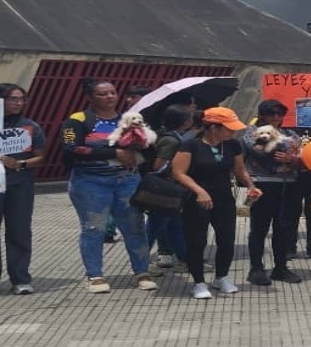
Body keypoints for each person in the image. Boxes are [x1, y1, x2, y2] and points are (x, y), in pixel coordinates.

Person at [60, 79, 155, 294]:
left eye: (112, 92)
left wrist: (142, 142)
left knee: (135, 227)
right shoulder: (76, 120)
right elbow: (70, 148)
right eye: (102, 94)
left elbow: (149, 148)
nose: (109, 97)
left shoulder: (128, 119)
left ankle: (142, 272)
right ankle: (95, 275)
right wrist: (115, 153)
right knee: (93, 228)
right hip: (90, 183)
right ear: (90, 97)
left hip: (127, 181)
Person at [171, 107, 260, 299]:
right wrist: (199, 191)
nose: (233, 132)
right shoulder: (191, 145)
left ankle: (221, 277)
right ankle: (198, 282)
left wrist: (251, 185)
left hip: (224, 197)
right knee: (197, 241)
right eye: (229, 128)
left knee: (226, 239)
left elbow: (240, 170)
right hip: (196, 199)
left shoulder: (232, 145)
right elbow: (178, 172)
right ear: (213, 127)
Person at [0, 84, 45, 296]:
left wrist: (20, 164)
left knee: (19, 232)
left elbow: (40, 156)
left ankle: (20, 279)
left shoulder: (30, 126)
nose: (19, 103)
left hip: (19, 185)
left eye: (22, 99)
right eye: (13, 99)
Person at [241, 100, 305, 286]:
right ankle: (256, 268)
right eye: (271, 113)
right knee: (259, 228)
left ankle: (281, 267)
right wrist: (286, 151)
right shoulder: (251, 131)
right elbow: (259, 151)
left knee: (284, 228)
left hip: (288, 184)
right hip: (263, 184)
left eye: (280, 114)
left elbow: (302, 159)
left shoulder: (291, 134)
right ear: (262, 115)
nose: (276, 117)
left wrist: (291, 159)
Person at [146, 104, 194, 274]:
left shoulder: (173, 136)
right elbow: (159, 165)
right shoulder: (171, 140)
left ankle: (185, 260)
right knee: (154, 227)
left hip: (171, 190)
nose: (192, 120)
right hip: (164, 191)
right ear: (184, 121)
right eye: (189, 117)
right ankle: (141, 263)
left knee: (175, 225)